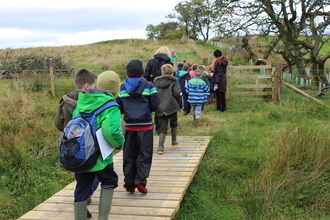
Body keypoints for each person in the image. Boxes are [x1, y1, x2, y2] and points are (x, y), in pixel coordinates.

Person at [72, 86, 124, 220]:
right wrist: (118, 144)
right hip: (101, 156)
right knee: (109, 181)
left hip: (81, 156)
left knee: (82, 186)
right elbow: (111, 132)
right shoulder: (111, 107)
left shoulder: (80, 105)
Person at [54, 69, 100, 206]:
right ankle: (85, 196)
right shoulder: (89, 102)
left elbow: (58, 123)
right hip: (88, 145)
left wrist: (68, 132)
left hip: (71, 145)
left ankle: (82, 195)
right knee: (95, 173)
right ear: (87, 86)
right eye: (94, 86)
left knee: (79, 171)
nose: (95, 89)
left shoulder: (64, 101)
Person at [117, 59, 160, 194]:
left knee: (129, 154)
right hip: (145, 127)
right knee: (144, 154)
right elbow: (155, 105)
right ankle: (140, 181)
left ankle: (129, 183)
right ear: (142, 72)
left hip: (129, 127)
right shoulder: (149, 86)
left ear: (128, 74)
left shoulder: (123, 87)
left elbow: (119, 107)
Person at [144, 46, 173, 134]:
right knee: (160, 109)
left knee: (148, 107)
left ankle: (148, 126)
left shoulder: (151, 62)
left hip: (151, 87)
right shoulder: (169, 63)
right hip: (164, 88)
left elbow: (146, 76)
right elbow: (171, 77)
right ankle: (160, 128)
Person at [154, 64, 181, 155]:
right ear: (172, 72)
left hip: (160, 107)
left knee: (163, 126)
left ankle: (160, 147)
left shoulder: (156, 82)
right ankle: (174, 141)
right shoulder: (174, 82)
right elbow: (177, 93)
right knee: (174, 122)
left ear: (162, 72)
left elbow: (155, 94)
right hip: (171, 106)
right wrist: (177, 103)